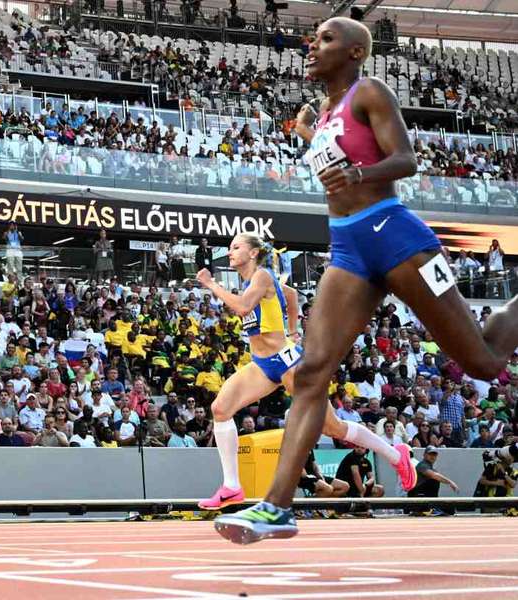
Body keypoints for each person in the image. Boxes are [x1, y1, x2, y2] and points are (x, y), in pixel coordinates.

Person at [215, 16, 518, 544]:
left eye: (327, 39)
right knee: (311, 373)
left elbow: (405, 159)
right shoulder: (327, 113)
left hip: (396, 236)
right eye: (313, 39)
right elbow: (331, 156)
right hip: (348, 246)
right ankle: (275, 508)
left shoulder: (369, 92)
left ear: (355, 52)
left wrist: (360, 173)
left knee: (484, 363)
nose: (313, 46)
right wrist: (311, 137)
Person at [197, 235, 414, 511]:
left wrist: (211, 284)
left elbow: (241, 307)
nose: (229, 253)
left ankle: (397, 456)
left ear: (253, 253)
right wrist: (291, 330)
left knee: (332, 427)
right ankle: (231, 487)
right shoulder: (256, 280)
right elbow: (289, 295)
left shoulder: (261, 275)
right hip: (263, 364)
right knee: (220, 409)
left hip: (289, 363)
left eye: (235, 247)